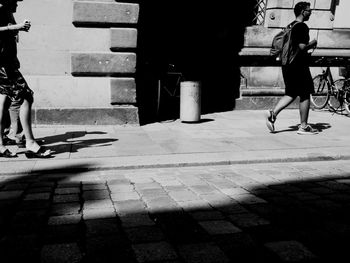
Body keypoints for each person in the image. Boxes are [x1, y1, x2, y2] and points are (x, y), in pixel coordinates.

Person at [0, 0, 51, 158]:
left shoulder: (6, 11)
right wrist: (15, 27)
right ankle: (29, 142)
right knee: (25, 96)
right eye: (15, 0)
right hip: (3, 65)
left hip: (7, 62)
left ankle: (1, 145)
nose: (17, 4)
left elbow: (8, 38)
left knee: (3, 100)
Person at [266, 1, 318, 135]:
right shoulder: (302, 27)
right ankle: (304, 126)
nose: (310, 12)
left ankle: (273, 114)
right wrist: (313, 43)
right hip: (298, 65)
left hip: (287, 65)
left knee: (291, 93)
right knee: (305, 93)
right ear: (302, 12)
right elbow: (302, 47)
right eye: (308, 10)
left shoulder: (290, 26)